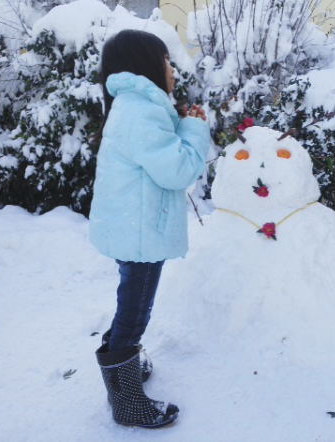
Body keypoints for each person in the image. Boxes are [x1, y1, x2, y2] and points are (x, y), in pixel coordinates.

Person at [88, 29, 210, 428]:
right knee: (135, 310)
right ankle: (126, 402)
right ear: (145, 65)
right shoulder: (142, 110)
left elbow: (156, 156)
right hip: (140, 233)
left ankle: (126, 367)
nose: (172, 69)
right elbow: (177, 170)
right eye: (166, 61)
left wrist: (181, 124)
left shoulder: (135, 105)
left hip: (135, 226)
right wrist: (194, 131)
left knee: (132, 303)